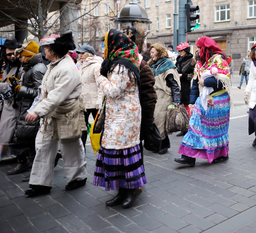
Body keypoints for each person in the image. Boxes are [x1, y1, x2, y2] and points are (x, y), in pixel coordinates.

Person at [24, 33, 87, 197]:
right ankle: (40, 183)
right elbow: (46, 92)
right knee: (44, 147)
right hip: (51, 114)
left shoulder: (66, 68)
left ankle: (78, 177)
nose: (44, 51)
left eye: (46, 48)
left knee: (70, 147)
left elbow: (56, 96)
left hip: (66, 115)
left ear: (54, 50)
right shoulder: (55, 64)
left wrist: (37, 111)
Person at [93, 29, 146, 208]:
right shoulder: (121, 61)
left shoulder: (122, 65)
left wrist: (99, 79)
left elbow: (114, 91)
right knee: (118, 153)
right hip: (120, 115)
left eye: (105, 44)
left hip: (124, 117)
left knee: (123, 153)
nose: (104, 48)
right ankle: (122, 190)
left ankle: (132, 189)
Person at [174, 36, 231, 166]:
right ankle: (188, 157)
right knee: (194, 127)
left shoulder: (219, 60)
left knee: (217, 129)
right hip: (203, 100)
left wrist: (205, 81)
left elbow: (224, 80)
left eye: (200, 48)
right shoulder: (200, 62)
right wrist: (193, 102)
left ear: (206, 48)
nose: (198, 51)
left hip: (218, 100)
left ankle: (221, 153)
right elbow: (195, 82)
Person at [7, 41, 47, 176]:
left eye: (22, 56)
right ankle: (32, 168)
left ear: (29, 56)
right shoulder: (30, 68)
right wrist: (17, 85)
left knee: (26, 138)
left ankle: (35, 168)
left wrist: (21, 89)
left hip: (32, 109)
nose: (20, 58)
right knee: (26, 139)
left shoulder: (37, 69)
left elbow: (41, 93)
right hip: (26, 107)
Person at [0, 39, 24, 170]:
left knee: (13, 134)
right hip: (7, 106)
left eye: (14, 53)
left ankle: (23, 159)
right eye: (9, 54)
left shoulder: (21, 66)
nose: (12, 56)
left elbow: (20, 85)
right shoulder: (6, 67)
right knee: (8, 135)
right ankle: (21, 158)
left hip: (17, 106)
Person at [149, 43, 181, 154]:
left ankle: (164, 144)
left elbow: (174, 84)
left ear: (159, 52)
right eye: (150, 52)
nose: (151, 54)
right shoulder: (153, 65)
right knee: (156, 120)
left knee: (160, 121)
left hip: (164, 96)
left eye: (153, 52)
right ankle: (161, 142)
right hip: (155, 96)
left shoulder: (167, 64)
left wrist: (176, 100)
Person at [77, 44, 103, 148]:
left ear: (90, 54)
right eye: (80, 53)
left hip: (94, 103)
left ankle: (101, 148)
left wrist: (99, 101)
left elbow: (100, 84)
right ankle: (81, 150)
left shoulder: (96, 65)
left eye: (83, 53)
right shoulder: (82, 66)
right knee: (82, 128)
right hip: (84, 103)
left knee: (98, 128)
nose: (81, 55)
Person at [175, 42, 195, 137]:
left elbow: (193, 76)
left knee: (186, 107)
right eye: (179, 51)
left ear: (186, 50)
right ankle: (183, 128)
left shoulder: (192, 61)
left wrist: (183, 75)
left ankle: (188, 128)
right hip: (178, 85)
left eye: (182, 50)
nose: (180, 52)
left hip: (187, 86)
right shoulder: (178, 59)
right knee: (181, 107)